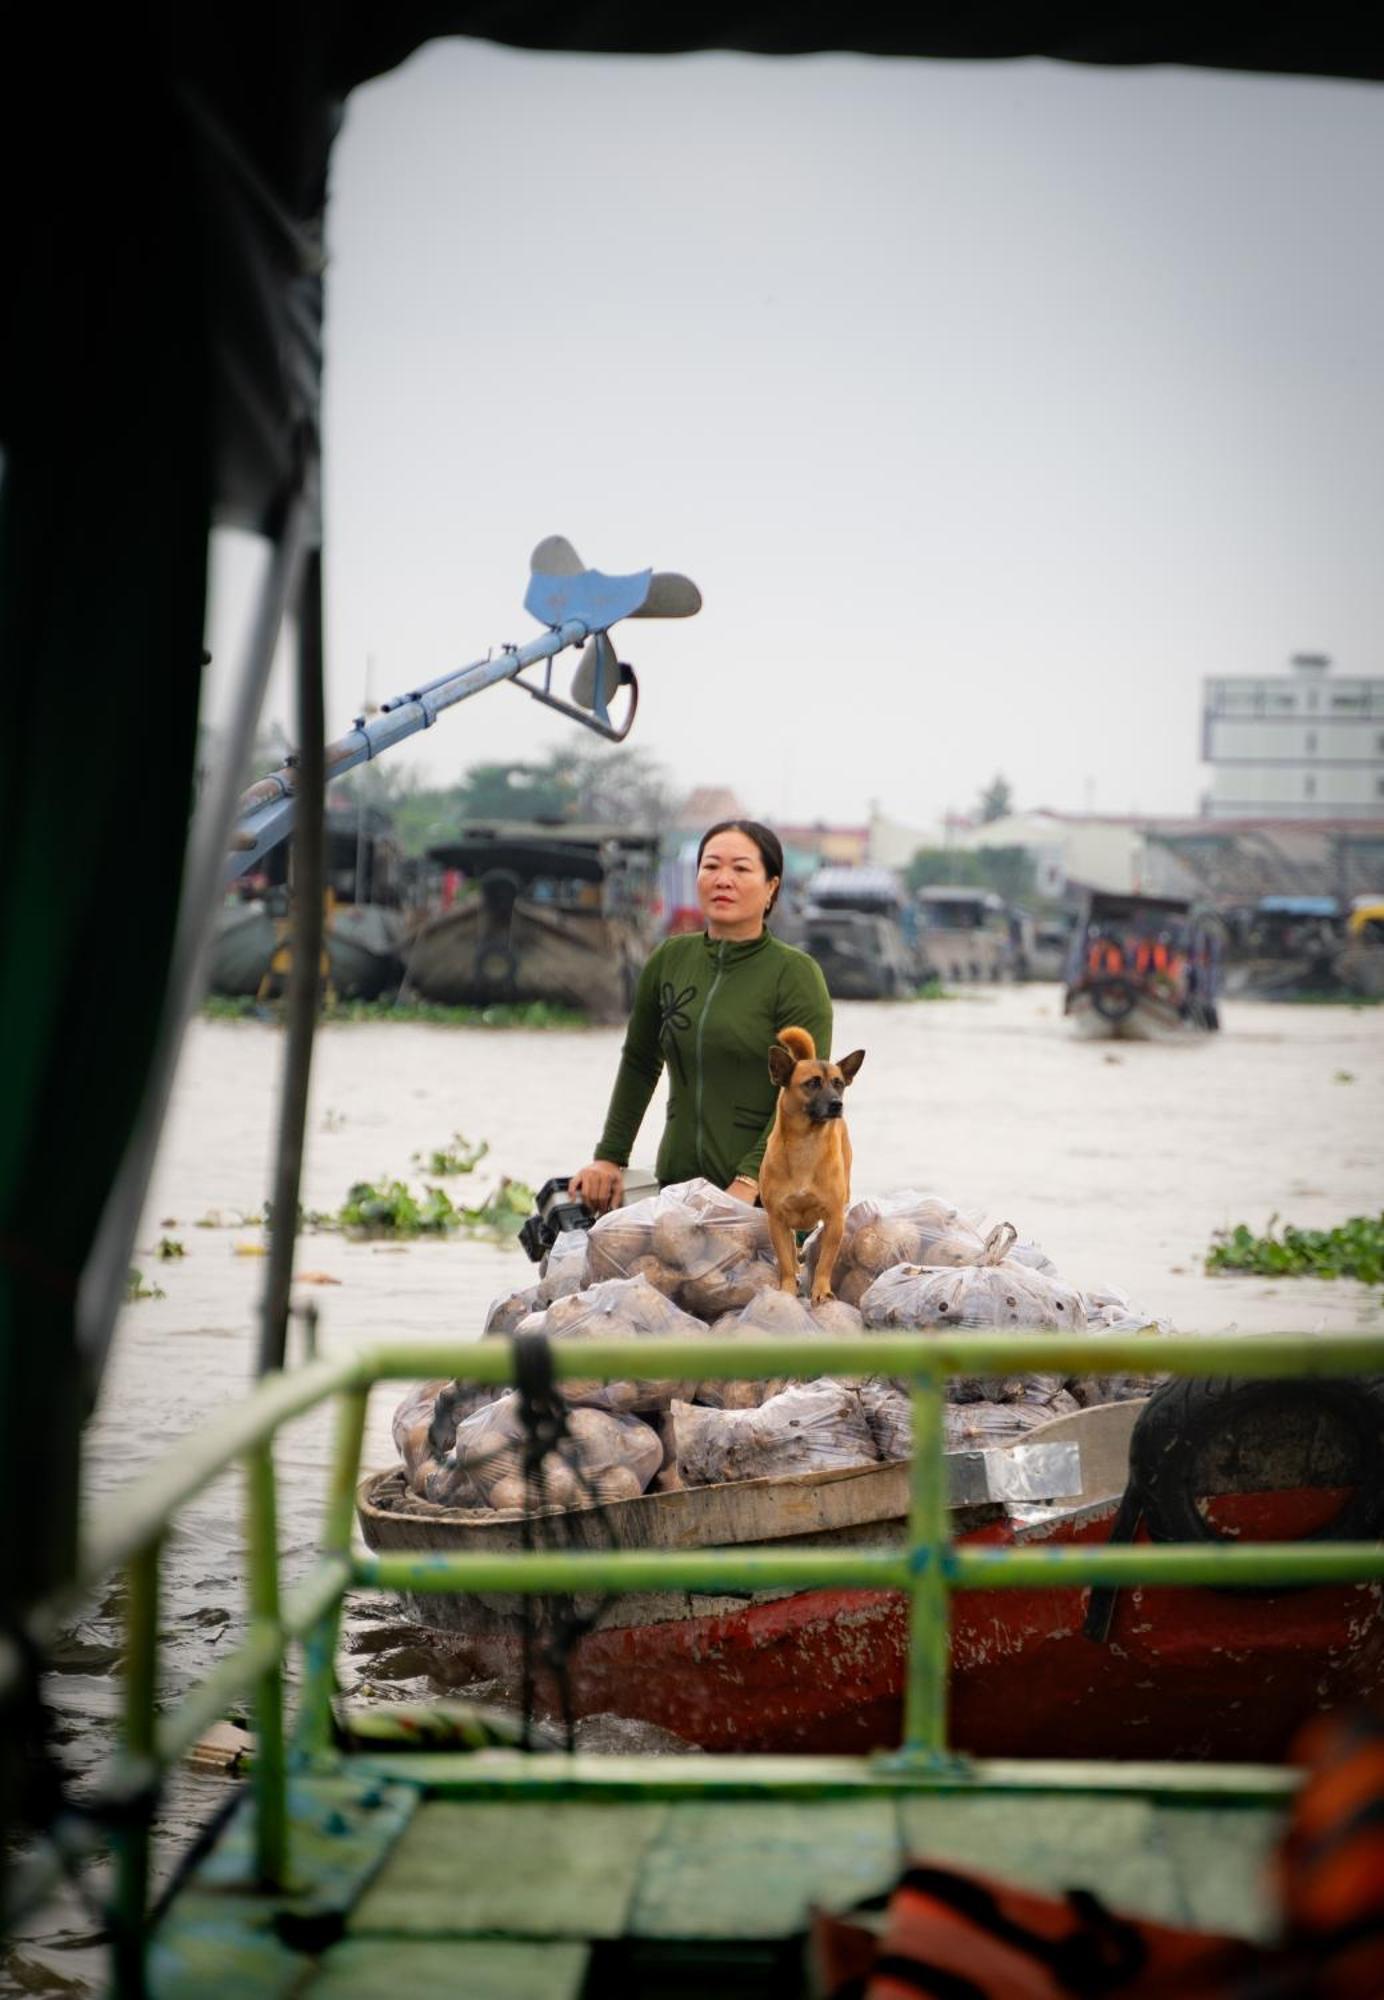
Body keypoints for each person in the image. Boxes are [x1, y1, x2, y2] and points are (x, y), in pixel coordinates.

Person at [569, 820, 832, 1215]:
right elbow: (640, 1063)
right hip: (678, 1189)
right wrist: (609, 1158)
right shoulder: (670, 959)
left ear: (771, 887)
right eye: (710, 867)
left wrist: (747, 1184)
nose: (722, 879)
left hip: (768, 1202)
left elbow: (811, 1096)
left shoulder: (794, 974)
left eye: (741, 869)